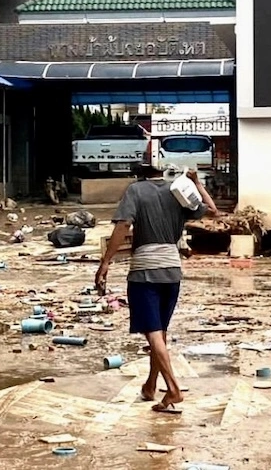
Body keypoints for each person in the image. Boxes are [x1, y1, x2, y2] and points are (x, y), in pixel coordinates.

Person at [95, 164, 218, 413]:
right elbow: (213, 211)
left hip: (144, 271)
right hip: (172, 270)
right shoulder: (177, 192)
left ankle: (173, 388)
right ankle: (150, 386)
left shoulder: (136, 191)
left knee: (152, 332)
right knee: (159, 333)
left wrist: (105, 262)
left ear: (139, 174)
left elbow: (122, 226)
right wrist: (197, 183)